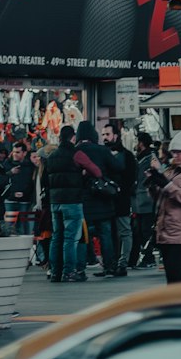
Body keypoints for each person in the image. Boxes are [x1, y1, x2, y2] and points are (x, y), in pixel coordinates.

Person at [44, 124, 101, 283]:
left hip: (55, 202)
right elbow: (96, 171)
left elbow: (46, 179)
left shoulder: (52, 156)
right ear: (73, 138)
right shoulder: (76, 154)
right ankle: (69, 272)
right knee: (70, 238)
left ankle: (55, 272)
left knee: (57, 237)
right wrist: (82, 172)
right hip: (72, 201)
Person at [151, 127, 181, 285]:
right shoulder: (170, 171)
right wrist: (154, 182)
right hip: (165, 229)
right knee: (171, 275)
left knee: (176, 273)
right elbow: (158, 197)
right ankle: (176, 304)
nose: (175, 155)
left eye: (179, 152)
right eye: (173, 152)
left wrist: (167, 185)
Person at [76, 120, 119, 278]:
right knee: (105, 234)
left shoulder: (75, 151)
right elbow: (117, 167)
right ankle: (109, 266)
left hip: (83, 202)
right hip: (103, 200)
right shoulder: (102, 150)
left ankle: (80, 268)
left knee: (81, 236)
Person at [102, 120, 136, 276]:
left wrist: (123, 191)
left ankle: (123, 263)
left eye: (107, 134)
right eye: (103, 134)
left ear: (116, 135)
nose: (105, 137)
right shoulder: (103, 153)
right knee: (110, 233)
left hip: (120, 200)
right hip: (107, 201)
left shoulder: (127, 156)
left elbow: (131, 177)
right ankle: (111, 263)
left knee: (123, 231)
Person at [130, 131, 158, 268]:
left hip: (147, 200)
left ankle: (148, 257)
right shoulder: (141, 157)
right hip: (139, 200)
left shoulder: (150, 158)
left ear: (141, 143)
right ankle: (146, 256)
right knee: (140, 230)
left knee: (146, 230)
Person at [3, 140, 34, 235]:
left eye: (18, 152)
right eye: (14, 152)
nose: (15, 154)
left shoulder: (30, 166)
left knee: (24, 226)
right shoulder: (6, 165)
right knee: (9, 227)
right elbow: (3, 181)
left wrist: (24, 193)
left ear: (24, 153)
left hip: (24, 201)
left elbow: (31, 184)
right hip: (10, 200)